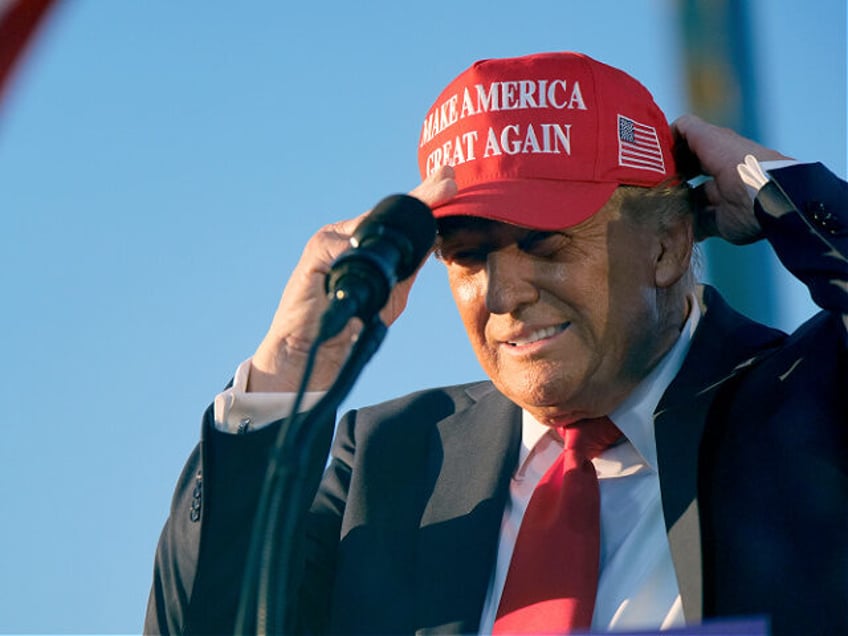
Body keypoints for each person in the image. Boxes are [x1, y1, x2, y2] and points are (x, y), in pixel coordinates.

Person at [145, 52, 847, 635]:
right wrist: (286, 367)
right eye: (468, 255)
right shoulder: (386, 460)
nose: (503, 293)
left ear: (665, 243)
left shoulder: (812, 401)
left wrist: (784, 195)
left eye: (544, 244)